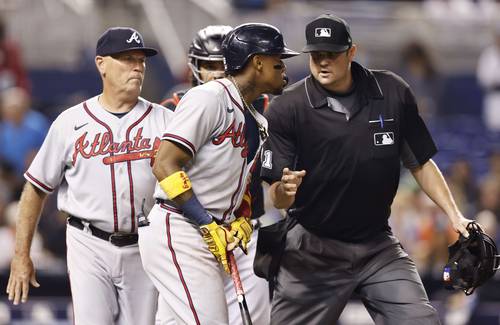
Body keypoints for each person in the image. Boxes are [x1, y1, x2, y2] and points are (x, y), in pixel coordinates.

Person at [261, 13, 474, 324]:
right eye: (316, 55)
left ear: (351, 52)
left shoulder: (391, 92)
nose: (323, 62)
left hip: (377, 246)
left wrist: (456, 216)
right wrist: (284, 191)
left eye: (331, 54)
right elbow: (277, 196)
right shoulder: (287, 107)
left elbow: (421, 163)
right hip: (313, 249)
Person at [6, 27, 171, 325]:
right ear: (101, 64)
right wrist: (21, 255)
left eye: (140, 59)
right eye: (126, 58)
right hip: (89, 243)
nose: (136, 66)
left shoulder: (166, 121)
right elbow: (35, 188)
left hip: (146, 245)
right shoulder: (70, 122)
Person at [138, 22, 298, 324]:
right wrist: (206, 221)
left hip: (213, 230)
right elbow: (164, 164)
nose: (285, 71)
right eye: (278, 63)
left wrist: (242, 220)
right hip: (181, 227)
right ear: (258, 63)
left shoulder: (255, 116)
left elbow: (241, 183)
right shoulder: (209, 97)